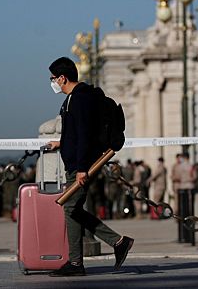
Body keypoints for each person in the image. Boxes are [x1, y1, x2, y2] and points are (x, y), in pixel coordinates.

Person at [46, 56, 133, 277]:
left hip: (80, 165)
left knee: (70, 208)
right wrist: (61, 143)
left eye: (53, 78)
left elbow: (84, 134)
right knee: (72, 209)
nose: (53, 82)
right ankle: (116, 243)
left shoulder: (79, 99)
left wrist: (83, 168)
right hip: (76, 162)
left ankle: (78, 262)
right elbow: (76, 133)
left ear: (63, 78)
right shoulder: (76, 98)